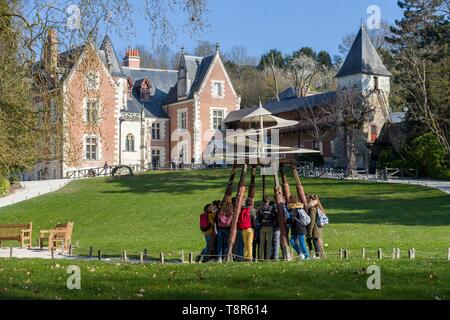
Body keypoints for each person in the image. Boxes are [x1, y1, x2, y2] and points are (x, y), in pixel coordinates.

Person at [287, 195, 309, 260]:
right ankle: (301, 254)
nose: (289, 201)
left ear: (292, 200)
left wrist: (285, 220)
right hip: (299, 228)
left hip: (299, 229)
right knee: (293, 241)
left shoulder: (293, 209)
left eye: (290, 200)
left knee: (301, 243)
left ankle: (306, 256)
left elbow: (292, 220)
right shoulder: (299, 208)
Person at [257, 195, 276, 260]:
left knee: (262, 243)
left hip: (262, 227)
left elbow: (258, 218)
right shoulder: (271, 208)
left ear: (263, 201)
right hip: (270, 227)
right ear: (268, 201)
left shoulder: (260, 208)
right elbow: (275, 217)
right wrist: (273, 223)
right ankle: (268, 258)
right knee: (269, 243)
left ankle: (261, 257)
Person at [216, 196, 234, 262]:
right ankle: (224, 257)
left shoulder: (221, 208)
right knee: (226, 243)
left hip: (220, 228)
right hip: (227, 228)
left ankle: (219, 257)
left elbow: (219, 218)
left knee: (220, 243)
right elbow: (231, 216)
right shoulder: (231, 207)